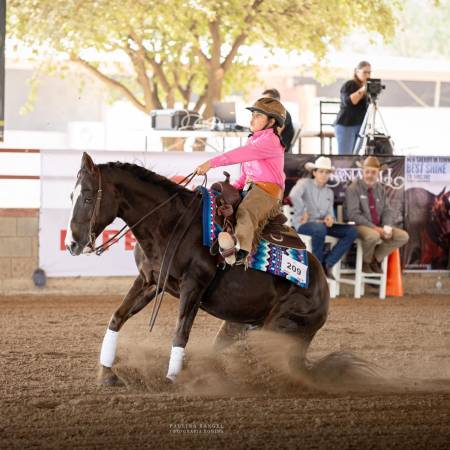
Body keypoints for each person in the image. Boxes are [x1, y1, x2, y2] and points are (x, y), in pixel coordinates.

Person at [195, 97, 286, 266]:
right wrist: (231, 189)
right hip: (252, 189)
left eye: (258, 116)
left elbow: (238, 155)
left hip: (266, 193)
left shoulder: (270, 140)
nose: (252, 119)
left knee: (246, 211)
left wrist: (211, 163)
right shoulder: (254, 140)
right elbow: (246, 174)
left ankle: (240, 253)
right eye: (253, 115)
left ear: (272, 121)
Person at [289, 156, 357, 280]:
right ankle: (317, 268)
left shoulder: (329, 192)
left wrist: (330, 218)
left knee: (351, 231)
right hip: (304, 224)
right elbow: (293, 195)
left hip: (322, 226)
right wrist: (303, 210)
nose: (324, 175)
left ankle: (327, 263)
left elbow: (330, 213)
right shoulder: (304, 183)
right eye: (321, 171)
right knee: (319, 229)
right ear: (314, 172)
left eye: (327, 172)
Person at [345, 156, 409, 273]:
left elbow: (387, 210)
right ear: (363, 172)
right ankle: (366, 262)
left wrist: (387, 227)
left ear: (378, 173)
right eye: (367, 171)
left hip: (378, 226)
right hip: (359, 226)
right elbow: (353, 214)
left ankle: (374, 259)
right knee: (373, 235)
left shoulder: (380, 188)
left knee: (403, 236)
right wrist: (375, 228)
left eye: (373, 172)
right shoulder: (353, 188)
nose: (370, 175)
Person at [334, 61, 371, 155]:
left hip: (360, 126)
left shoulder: (367, 88)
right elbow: (350, 102)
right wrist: (363, 89)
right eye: (364, 72)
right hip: (346, 125)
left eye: (369, 72)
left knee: (355, 158)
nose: (367, 75)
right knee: (345, 157)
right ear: (357, 71)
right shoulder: (350, 84)